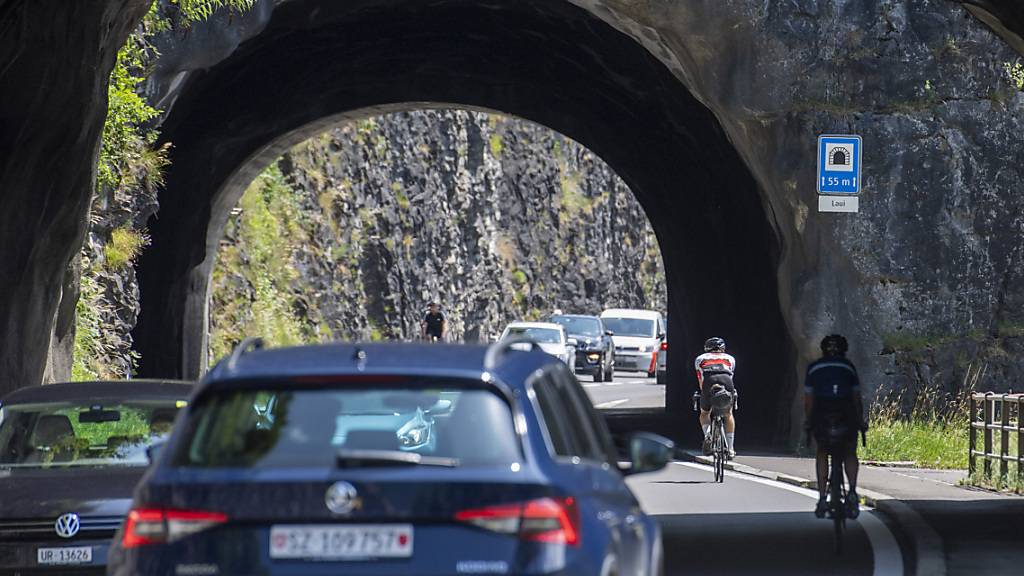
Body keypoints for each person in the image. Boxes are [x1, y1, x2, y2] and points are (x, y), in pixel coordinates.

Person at [805, 334, 867, 519]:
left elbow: (809, 400)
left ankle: (823, 498)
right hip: (845, 413)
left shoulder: (814, 368)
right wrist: (859, 420)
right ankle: (853, 492)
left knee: (822, 451)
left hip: (822, 413)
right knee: (849, 451)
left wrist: (809, 420)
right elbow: (856, 398)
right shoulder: (848, 367)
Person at [695, 337, 737, 458]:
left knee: (704, 413)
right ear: (723, 348)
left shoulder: (700, 359)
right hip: (727, 381)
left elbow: (700, 379)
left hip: (709, 381)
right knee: (728, 414)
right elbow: (731, 375)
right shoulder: (730, 358)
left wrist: (704, 393)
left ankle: (707, 435)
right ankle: (730, 449)